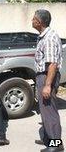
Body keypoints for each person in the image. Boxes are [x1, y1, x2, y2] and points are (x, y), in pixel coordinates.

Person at [32, 9, 64, 152]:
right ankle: (48, 139)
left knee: (50, 111)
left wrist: (47, 85)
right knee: (44, 111)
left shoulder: (49, 38)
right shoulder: (43, 36)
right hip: (43, 76)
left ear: (40, 22)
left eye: (33, 19)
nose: (31, 21)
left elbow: (52, 64)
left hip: (47, 76)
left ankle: (56, 145)